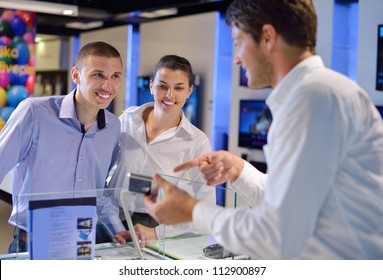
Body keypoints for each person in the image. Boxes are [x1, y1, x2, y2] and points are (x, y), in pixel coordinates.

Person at [144, 0, 383, 259]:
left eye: (238, 42)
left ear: (267, 37)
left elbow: (277, 233)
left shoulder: (313, 98)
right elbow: (295, 203)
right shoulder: (313, 93)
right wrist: (239, 170)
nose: (235, 59)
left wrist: (192, 211)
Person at [0, 41, 123, 253]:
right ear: (76, 75)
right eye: (98, 75)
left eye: (115, 76)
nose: (107, 86)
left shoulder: (112, 126)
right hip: (33, 237)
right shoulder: (34, 112)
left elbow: (99, 192)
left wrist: (118, 229)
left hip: (83, 235)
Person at [97, 55, 215, 244]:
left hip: (152, 228)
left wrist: (159, 232)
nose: (169, 95)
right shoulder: (126, 121)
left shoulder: (196, 141)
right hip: (109, 219)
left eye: (178, 88)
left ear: (190, 91)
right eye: (162, 86)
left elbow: (206, 206)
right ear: (151, 86)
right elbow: (99, 172)